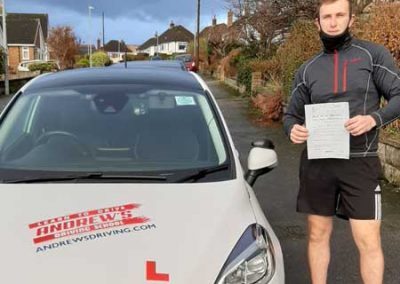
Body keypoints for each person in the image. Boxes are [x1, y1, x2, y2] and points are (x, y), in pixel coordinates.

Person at [283, 0, 400, 283]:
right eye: (327, 16)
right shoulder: (307, 69)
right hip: (318, 165)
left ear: (351, 20)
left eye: (339, 15)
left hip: (360, 163)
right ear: (317, 22)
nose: (333, 22)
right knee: (317, 234)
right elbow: (290, 115)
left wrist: (375, 118)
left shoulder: (373, 55)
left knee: (368, 240)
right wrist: (292, 130)